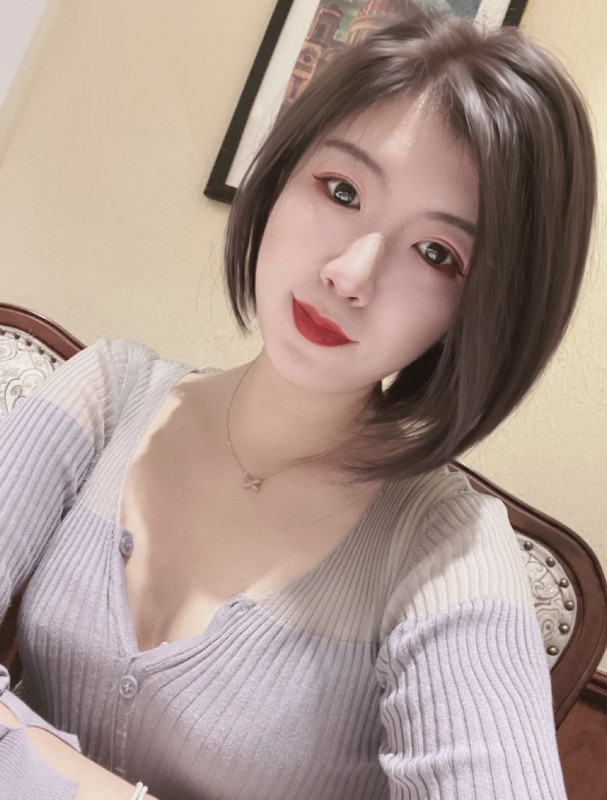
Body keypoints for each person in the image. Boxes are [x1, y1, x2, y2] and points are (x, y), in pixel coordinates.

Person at [0, 8, 597, 800]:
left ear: (484, 308)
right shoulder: (106, 393)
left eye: (435, 253)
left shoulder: (446, 548)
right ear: (281, 174)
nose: (350, 274)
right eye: (341, 190)